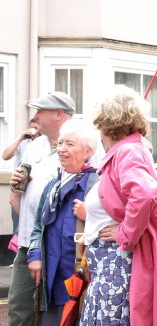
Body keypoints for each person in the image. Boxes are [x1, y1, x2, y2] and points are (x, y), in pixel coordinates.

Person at [79, 85, 157, 326]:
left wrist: (125, 234)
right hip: (110, 267)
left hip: (117, 266)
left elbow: (145, 194)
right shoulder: (128, 149)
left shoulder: (127, 150)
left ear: (105, 121)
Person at [8, 92, 75, 326]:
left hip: (60, 245)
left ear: (59, 114)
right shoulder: (33, 146)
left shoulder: (80, 144)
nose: (35, 116)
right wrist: (16, 185)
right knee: (18, 305)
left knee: (55, 309)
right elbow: (17, 196)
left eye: (41, 111)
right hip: (28, 241)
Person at [26, 119, 99, 325]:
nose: (61, 150)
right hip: (51, 279)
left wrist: (90, 215)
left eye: (69, 144)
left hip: (82, 281)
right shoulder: (53, 186)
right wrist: (35, 256)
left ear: (87, 151)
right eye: (60, 143)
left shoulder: (97, 186)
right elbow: (38, 226)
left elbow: (112, 230)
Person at [3, 118, 41, 239]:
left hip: (36, 186)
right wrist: (20, 138)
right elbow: (5, 156)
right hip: (20, 187)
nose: (34, 129)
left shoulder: (44, 144)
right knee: (18, 226)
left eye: (37, 126)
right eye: (32, 126)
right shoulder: (24, 143)